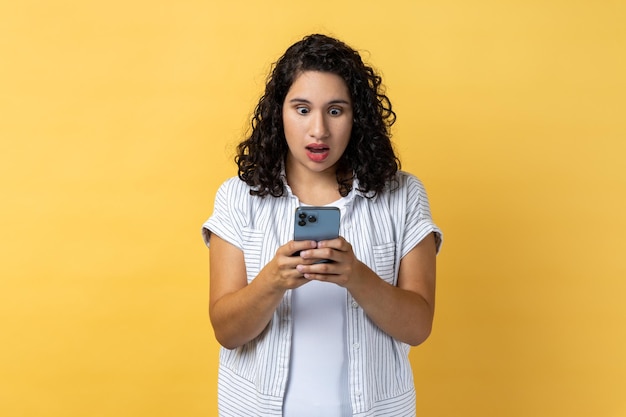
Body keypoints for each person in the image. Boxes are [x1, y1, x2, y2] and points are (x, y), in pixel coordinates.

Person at [201, 33, 442, 417]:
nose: (318, 130)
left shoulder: (404, 195)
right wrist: (273, 281)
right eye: (301, 109)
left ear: (356, 116)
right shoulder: (238, 197)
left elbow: (418, 327)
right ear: (279, 113)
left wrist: (356, 276)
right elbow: (227, 332)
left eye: (335, 110)